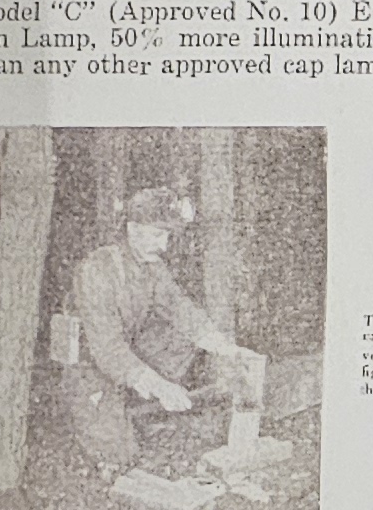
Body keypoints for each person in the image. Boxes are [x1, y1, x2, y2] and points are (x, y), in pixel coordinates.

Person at [65, 181, 259, 491]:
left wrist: (227, 349)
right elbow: (107, 349)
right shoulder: (97, 270)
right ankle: (116, 417)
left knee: (181, 338)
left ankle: (145, 402)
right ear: (132, 228)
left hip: (125, 352)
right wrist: (158, 386)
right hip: (90, 366)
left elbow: (181, 310)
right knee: (118, 457)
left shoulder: (152, 267)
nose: (164, 246)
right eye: (158, 234)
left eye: (168, 236)